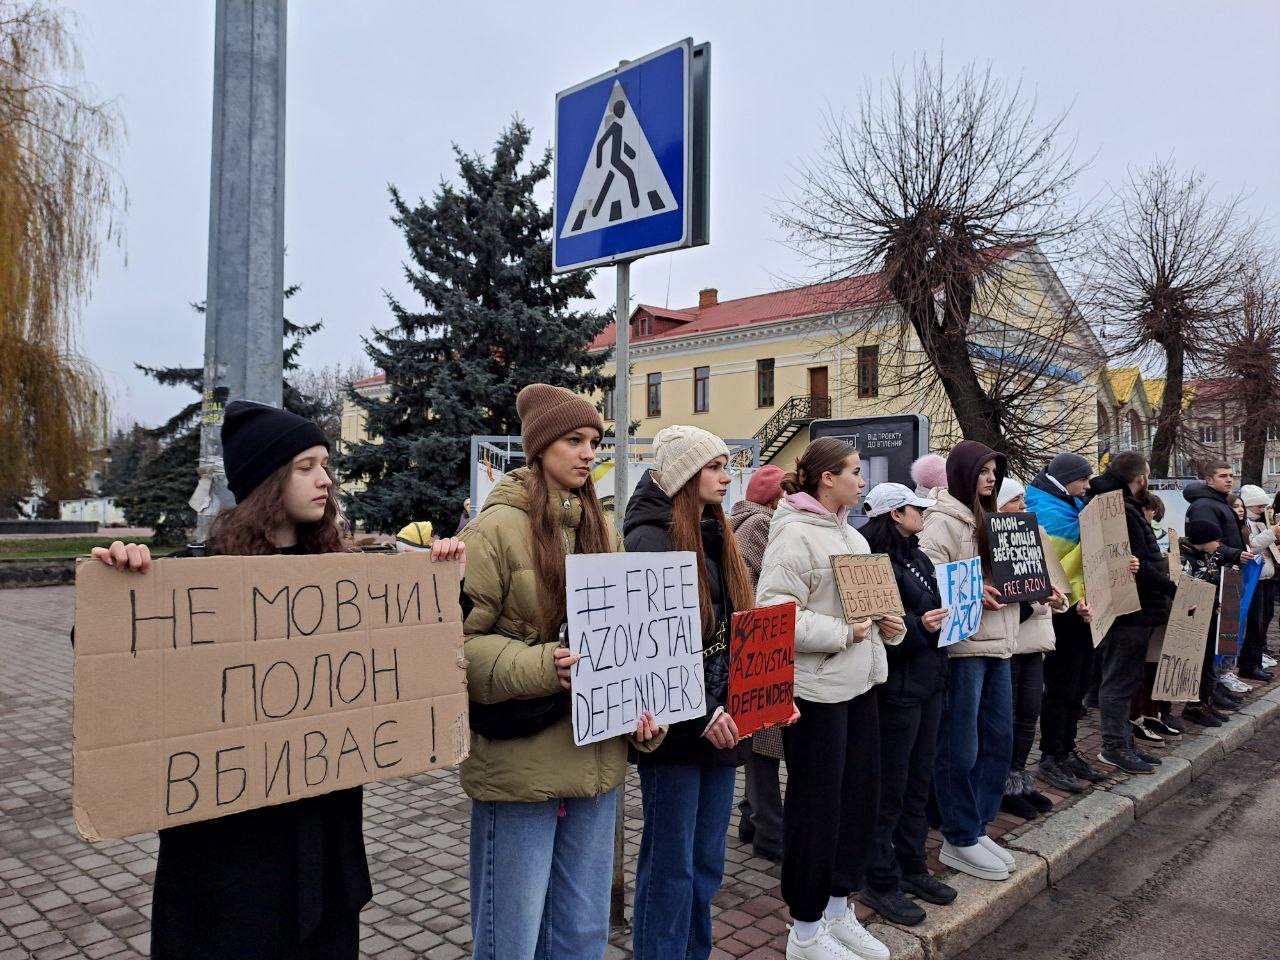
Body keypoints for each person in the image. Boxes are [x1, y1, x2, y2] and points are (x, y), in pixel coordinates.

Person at [88, 401, 467, 960]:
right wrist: (121, 582)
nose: (325, 479)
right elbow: (106, 655)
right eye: (306, 466)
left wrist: (444, 581)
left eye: (326, 464)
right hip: (229, 860)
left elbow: (417, 643)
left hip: (324, 853)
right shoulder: (192, 576)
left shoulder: (342, 575)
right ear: (268, 480)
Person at [459, 384, 660, 960]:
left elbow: (635, 639)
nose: (587, 453)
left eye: (594, 441)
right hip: (520, 769)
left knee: (581, 935)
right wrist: (541, 666)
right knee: (510, 940)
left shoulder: (605, 531)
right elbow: (458, 650)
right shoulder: (494, 531)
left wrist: (649, 715)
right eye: (573, 440)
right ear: (541, 445)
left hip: (596, 766)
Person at [756, 437, 905, 960]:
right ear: (827, 479)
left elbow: (876, 608)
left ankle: (840, 909)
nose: (861, 481)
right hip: (816, 693)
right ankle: (804, 929)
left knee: (858, 800)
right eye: (854, 471)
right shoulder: (794, 534)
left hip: (861, 686)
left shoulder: (853, 537)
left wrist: (891, 625)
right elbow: (773, 612)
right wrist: (843, 632)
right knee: (815, 808)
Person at [624, 424, 761, 960]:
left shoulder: (714, 532)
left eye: (727, 466)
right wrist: (702, 711)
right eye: (714, 467)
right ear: (685, 475)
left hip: (725, 723)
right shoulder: (649, 539)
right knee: (671, 865)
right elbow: (647, 650)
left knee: (706, 864)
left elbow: (736, 630)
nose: (727, 477)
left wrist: (766, 693)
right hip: (678, 733)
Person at [918, 440, 1020, 884]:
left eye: (995, 471)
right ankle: (959, 835)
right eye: (983, 471)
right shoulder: (939, 522)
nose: (991, 478)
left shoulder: (995, 519)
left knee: (999, 739)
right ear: (963, 473)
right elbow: (926, 581)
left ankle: (977, 827)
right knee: (961, 746)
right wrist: (973, 593)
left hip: (1000, 643)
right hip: (963, 650)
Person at [858, 482, 958, 928]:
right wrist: (921, 626)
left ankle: (912, 866)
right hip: (896, 692)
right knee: (890, 790)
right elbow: (881, 635)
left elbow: (925, 611)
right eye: (917, 508)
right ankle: (879, 879)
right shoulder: (874, 563)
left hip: (927, 683)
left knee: (918, 784)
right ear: (895, 514)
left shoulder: (916, 557)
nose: (923, 514)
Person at [1085, 452, 1176, 775]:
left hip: (1138, 608)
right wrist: (1170, 589)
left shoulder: (1122, 507)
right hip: (1128, 609)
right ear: (1140, 478)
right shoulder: (1121, 510)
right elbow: (1139, 561)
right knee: (1118, 682)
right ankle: (1113, 747)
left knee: (1126, 679)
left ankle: (1123, 741)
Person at [1026, 453, 1105, 794]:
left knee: (1079, 682)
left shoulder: (1069, 502)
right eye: (1083, 479)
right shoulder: (1048, 511)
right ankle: (1051, 756)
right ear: (1067, 478)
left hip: (1081, 606)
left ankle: (1067, 748)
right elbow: (1061, 564)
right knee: (1061, 685)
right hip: (1062, 610)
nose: (1088, 486)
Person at [995, 478, 1066, 820]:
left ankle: (1019, 780)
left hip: (1035, 640)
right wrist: (1036, 600)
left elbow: (1053, 582)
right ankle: (1000, 785)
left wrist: (1059, 600)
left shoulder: (1035, 536)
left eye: (1024, 501)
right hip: (1007, 642)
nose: (1023, 508)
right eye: (1016, 501)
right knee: (1006, 718)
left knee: (1028, 716)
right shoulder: (991, 539)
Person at [728, 464, 788, 862]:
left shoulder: (745, 520)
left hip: (753, 638)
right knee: (764, 740)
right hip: (762, 639)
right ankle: (768, 828)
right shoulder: (761, 526)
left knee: (759, 735)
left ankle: (753, 818)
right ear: (773, 497)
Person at [1128, 493, 1183, 746]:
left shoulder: (1153, 532)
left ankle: (1152, 713)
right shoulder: (1137, 531)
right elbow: (1147, 570)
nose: (1151, 516)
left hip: (1156, 606)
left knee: (1153, 663)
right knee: (1138, 668)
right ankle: (1137, 718)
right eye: (1149, 511)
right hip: (1145, 606)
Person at [1178, 519, 1228, 729]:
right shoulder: (1186, 559)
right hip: (1195, 617)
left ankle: (1205, 702)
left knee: (1208, 662)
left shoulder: (1208, 557)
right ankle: (1193, 706)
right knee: (1197, 662)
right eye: (1215, 540)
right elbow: (1189, 587)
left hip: (1210, 613)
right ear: (1203, 540)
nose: (1218, 544)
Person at [1240, 484, 1279, 680]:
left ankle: (1256, 658)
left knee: (1265, 618)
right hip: (1255, 578)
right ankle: (1249, 663)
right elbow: (1252, 546)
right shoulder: (1245, 524)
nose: (1263, 510)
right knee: (1255, 622)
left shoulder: (1262, 522)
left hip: (1267, 577)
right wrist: (1272, 533)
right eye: (1259, 507)